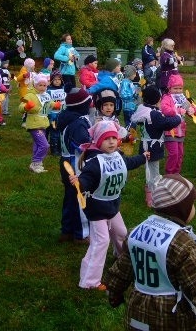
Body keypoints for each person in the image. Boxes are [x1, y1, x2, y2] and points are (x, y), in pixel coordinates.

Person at [104, 174, 196, 331]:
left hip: (138, 313)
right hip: (172, 317)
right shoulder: (183, 244)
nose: (195, 207)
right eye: (192, 203)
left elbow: (122, 269)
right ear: (182, 209)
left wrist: (113, 292)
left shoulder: (137, 232)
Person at [68, 120, 150, 290]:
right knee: (101, 241)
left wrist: (142, 158)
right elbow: (87, 180)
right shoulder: (95, 163)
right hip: (97, 209)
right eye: (107, 139)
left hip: (113, 206)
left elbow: (128, 163)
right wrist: (79, 183)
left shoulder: (117, 156)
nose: (111, 141)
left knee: (121, 233)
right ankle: (89, 281)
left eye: (114, 137)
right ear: (98, 141)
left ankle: (122, 258)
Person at [130, 85, 182, 206]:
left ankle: (150, 191)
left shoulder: (142, 109)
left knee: (150, 169)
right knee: (154, 171)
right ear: (157, 100)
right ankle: (153, 196)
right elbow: (166, 124)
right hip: (153, 146)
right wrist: (178, 117)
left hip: (145, 144)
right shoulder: (153, 114)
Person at [56, 87, 93, 244]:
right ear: (81, 105)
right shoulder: (78, 123)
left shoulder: (66, 117)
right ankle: (81, 234)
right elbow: (83, 145)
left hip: (65, 162)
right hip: (75, 164)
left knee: (70, 197)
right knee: (80, 198)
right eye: (88, 102)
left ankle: (67, 230)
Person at [160, 74, 195, 175]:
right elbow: (165, 109)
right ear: (169, 88)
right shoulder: (167, 98)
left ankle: (176, 173)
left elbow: (188, 108)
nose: (178, 91)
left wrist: (192, 111)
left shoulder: (182, 98)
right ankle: (169, 173)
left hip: (181, 130)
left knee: (180, 154)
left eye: (180, 88)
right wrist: (178, 110)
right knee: (174, 154)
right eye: (175, 88)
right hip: (170, 130)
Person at [20, 73, 53, 173]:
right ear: (35, 85)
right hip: (34, 125)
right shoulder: (30, 95)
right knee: (44, 145)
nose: (42, 88)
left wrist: (56, 105)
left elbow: (50, 103)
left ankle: (35, 165)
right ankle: (36, 162)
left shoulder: (46, 95)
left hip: (43, 123)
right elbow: (21, 106)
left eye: (44, 85)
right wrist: (26, 107)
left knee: (37, 145)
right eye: (40, 85)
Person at [47, 70, 66, 156]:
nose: (57, 81)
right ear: (51, 80)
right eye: (55, 79)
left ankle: (61, 148)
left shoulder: (64, 89)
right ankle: (54, 149)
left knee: (61, 132)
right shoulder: (48, 91)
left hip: (62, 114)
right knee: (54, 132)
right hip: (52, 114)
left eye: (59, 79)